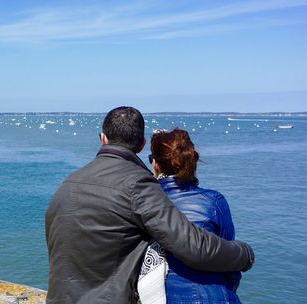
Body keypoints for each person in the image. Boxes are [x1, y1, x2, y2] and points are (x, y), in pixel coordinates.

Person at [45, 106, 254, 304]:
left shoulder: (69, 183)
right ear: (142, 144)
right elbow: (192, 245)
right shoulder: (137, 184)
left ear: (103, 139)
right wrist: (244, 254)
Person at [150, 128, 242, 303]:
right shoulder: (214, 202)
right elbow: (230, 262)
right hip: (215, 296)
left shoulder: (143, 202)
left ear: (156, 164)